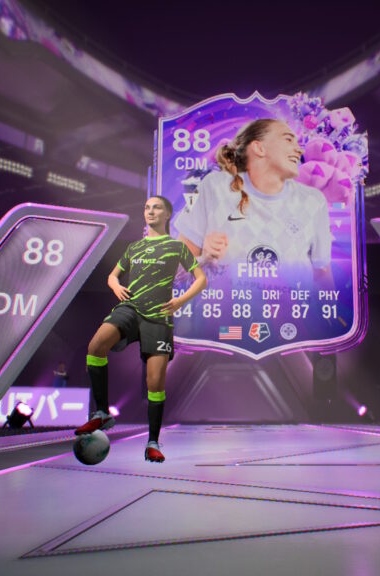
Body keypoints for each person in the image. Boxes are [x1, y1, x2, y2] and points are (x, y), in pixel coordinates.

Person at [74, 196, 207, 463]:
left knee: (154, 383)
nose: (150, 211)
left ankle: (152, 443)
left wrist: (180, 301)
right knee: (96, 346)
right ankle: (102, 413)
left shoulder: (176, 247)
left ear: (167, 214)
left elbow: (201, 279)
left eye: (156, 207)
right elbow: (112, 275)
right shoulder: (134, 247)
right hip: (130, 308)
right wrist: (115, 285)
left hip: (159, 317)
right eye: (147, 207)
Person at [174, 119, 333, 285]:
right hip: (226, 301)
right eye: (288, 139)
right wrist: (204, 259)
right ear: (259, 148)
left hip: (295, 302)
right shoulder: (213, 187)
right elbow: (176, 273)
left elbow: (324, 279)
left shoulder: (313, 201)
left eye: (297, 143)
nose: (299, 150)